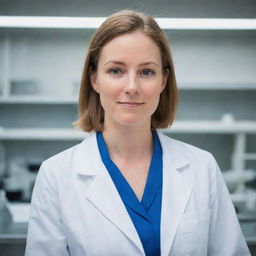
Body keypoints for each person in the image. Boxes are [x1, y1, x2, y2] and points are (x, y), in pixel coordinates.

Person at [25, 10, 250, 256]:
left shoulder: (201, 167)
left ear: (163, 81)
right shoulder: (56, 176)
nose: (132, 87)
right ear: (94, 79)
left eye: (146, 72)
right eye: (116, 71)